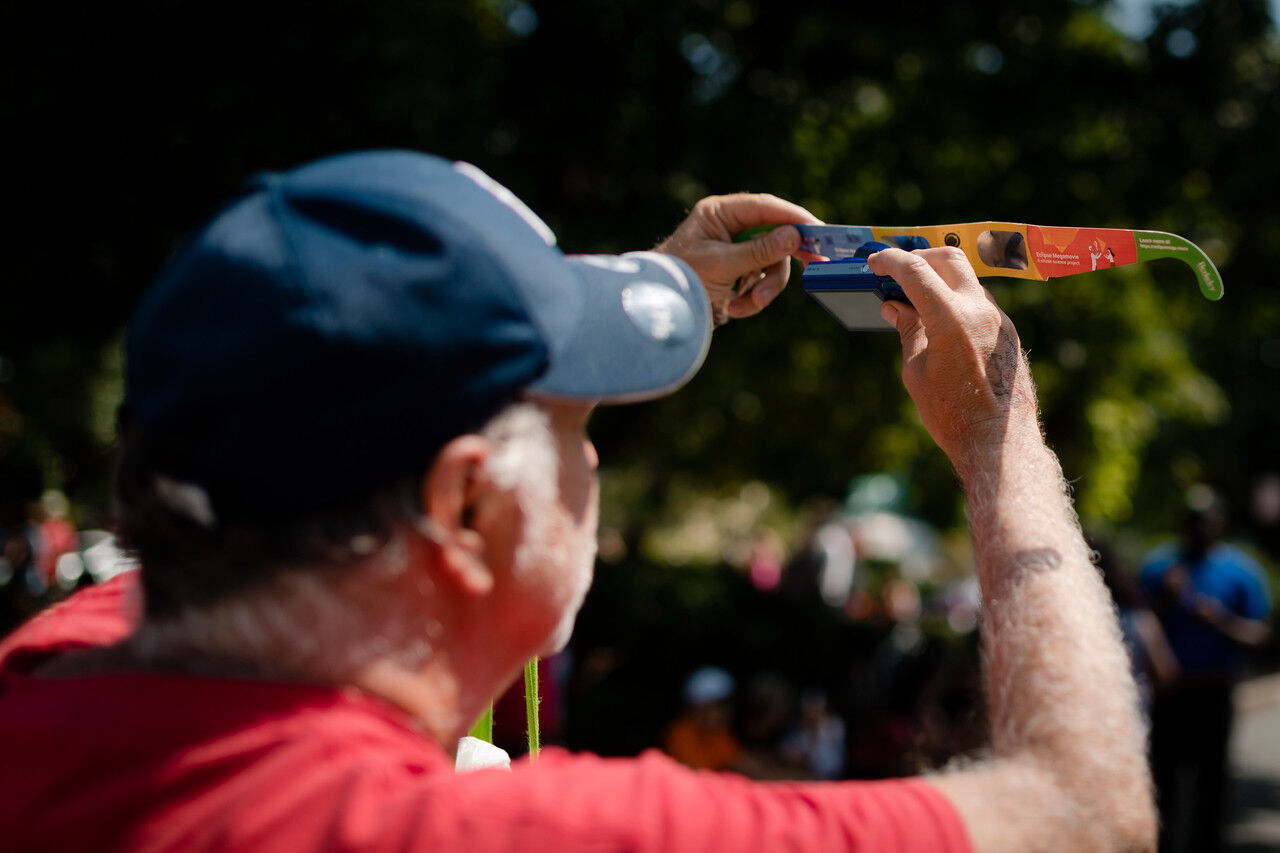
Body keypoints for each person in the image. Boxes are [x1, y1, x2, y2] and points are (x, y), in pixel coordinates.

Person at [0, 150, 1154, 851]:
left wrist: (582, 333)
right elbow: (1085, 816)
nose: (590, 460)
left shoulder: (64, 660)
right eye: (568, 418)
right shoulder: (494, 834)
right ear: (462, 508)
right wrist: (998, 450)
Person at [1141, 488, 1272, 852]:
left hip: (1216, 692)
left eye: (1205, 520)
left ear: (1219, 522)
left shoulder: (1242, 572)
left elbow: (1259, 634)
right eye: (1191, 520)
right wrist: (1164, 601)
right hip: (1170, 694)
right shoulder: (1158, 567)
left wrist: (1220, 621)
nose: (1197, 528)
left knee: (1212, 781)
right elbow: (1137, 622)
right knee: (1162, 779)